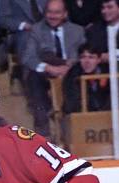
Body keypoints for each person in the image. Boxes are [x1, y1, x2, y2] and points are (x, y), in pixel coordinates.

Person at [21, 0, 85, 136]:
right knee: (33, 77)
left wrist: (69, 66)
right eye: (49, 12)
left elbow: (84, 55)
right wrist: (49, 68)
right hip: (46, 72)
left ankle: (72, 123)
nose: (52, 16)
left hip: (71, 71)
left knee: (80, 75)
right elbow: (28, 57)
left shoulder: (78, 31)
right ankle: (43, 126)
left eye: (57, 12)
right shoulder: (37, 30)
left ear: (65, 14)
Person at [86, 0, 119, 64]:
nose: (104, 11)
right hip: (102, 69)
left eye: (109, 7)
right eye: (103, 8)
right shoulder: (94, 30)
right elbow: (92, 52)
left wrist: (113, 55)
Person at [62, 42, 110, 113]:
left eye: (91, 57)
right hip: (81, 115)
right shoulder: (73, 75)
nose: (86, 61)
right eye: (83, 57)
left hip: (106, 115)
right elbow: (73, 101)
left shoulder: (107, 72)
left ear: (99, 60)